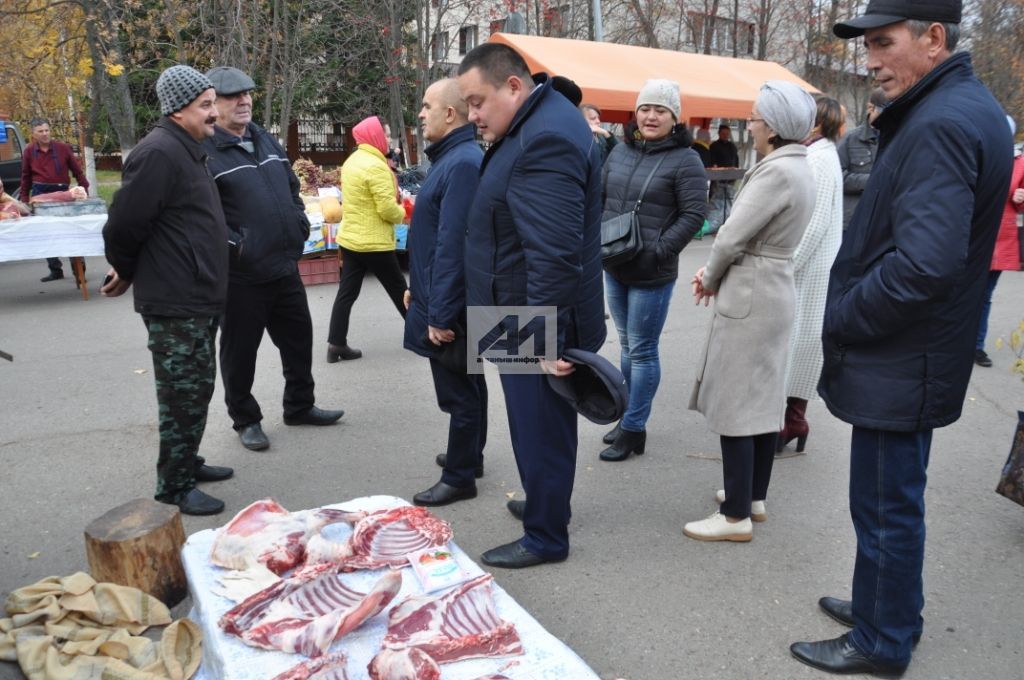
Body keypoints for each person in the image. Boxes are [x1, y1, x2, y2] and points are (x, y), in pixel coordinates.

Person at [790, 1, 1013, 675]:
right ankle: (884, 606)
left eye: (883, 44)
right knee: (885, 500)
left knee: (886, 504)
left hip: (902, 352)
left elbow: (924, 265)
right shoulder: (950, 109)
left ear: (934, 38)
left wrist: (842, 315)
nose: (871, 60)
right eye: (867, 46)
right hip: (909, 352)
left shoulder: (942, 122)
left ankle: (882, 640)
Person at [456, 42, 606, 568]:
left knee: (540, 426)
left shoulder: (544, 138)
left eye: (477, 102)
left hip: (529, 314)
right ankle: (545, 502)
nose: (471, 115)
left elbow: (554, 252)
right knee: (532, 425)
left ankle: (546, 536)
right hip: (514, 306)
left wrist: (545, 339)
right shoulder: (538, 122)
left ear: (514, 86)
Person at [685, 80, 817, 542]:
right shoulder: (802, 167)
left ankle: (735, 515)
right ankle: (752, 497)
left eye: (757, 119)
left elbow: (730, 236)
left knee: (738, 403)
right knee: (763, 400)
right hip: (774, 288)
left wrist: (709, 276)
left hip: (752, 289)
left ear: (774, 126)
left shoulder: (776, 171)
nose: (751, 125)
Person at [101, 65, 235, 516]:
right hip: (176, 301)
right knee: (182, 394)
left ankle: (186, 462)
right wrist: (125, 267)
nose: (215, 113)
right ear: (178, 110)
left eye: (213, 102)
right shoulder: (158, 153)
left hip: (196, 295)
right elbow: (124, 223)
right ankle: (173, 487)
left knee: (197, 390)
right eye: (205, 105)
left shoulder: (188, 148)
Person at [203, 66, 344, 453]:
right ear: (213, 103)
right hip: (242, 275)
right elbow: (204, 216)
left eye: (247, 93)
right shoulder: (206, 150)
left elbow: (291, 188)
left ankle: (300, 406)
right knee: (239, 352)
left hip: (283, 266)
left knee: (298, 341)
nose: (244, 101)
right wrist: (238, 247)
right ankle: (246, 419)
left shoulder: (263, 139)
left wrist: (298, 221)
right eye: (233, 96)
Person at [598, 79, 707, 462]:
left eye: (661, 110)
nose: (651, 116)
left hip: (651, 272)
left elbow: (695, 214)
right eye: (645, 108)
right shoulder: (621, 151)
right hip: (615, 264)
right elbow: (602, 197)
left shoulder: (686, 159)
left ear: (675, 118)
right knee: (626, 346)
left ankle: (634, 427)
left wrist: (660, 251)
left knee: (643, 351)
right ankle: (628, 416)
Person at [402, 78, 488, 507]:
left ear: (449, 114)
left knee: (459, 392)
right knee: (467, 381)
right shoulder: (453, 158)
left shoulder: (463, 163)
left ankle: (459, 476)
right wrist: (415, 289)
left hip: (452, 305)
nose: (421, 113)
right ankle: (468, 456)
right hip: (439, 295)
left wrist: (438, 311)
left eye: (426, 105)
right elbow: (434, 234)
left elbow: (454, 244)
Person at [777, 94, 844, 453]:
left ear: (815, 123)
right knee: (798, 346)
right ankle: (791, 419)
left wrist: (784, 265)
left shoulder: (817, 159)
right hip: (813, 267)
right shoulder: (821, 153)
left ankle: (792, 420)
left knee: (798, 345)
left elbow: (812, 224)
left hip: (809, 271)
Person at [326, 115, 409, 362]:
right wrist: (404, 213)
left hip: (351, 241)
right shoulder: (376, 166)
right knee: (400, 290)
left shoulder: (352, 161)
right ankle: (423, 334)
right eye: (384, 134)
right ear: (373, 136)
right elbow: (386, 208)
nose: (387, 139)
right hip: (374, 243)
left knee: (346, 294)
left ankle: (336, 344)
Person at [975, 118, 1023, 367]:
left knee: (985, 295)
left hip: (1001, 239)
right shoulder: (977, 153)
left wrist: (1020, 198)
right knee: (962, 291)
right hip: (975, 234)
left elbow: (1022, 203)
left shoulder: (1019, 163)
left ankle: (977, 346)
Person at [20, 117, 90, 281]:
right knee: (45, 233)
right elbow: (25, 177)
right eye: (40, 131)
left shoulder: (63, 148)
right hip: (39, 193)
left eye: (47, 130)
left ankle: (79, 272)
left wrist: (84, 190)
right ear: (33, 134)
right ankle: (55, 270)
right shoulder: (29, 151)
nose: (45, 134)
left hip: (63, 192)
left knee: (71, 231)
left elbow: (77, 171)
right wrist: (24, 199)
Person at [836, 88, 886, 228]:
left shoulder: (897, 141)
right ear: (871, 108)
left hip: (880, 224)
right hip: (850, 221)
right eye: (883, 112)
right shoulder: (850, 139)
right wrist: (871, 180)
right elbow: (837, 177)